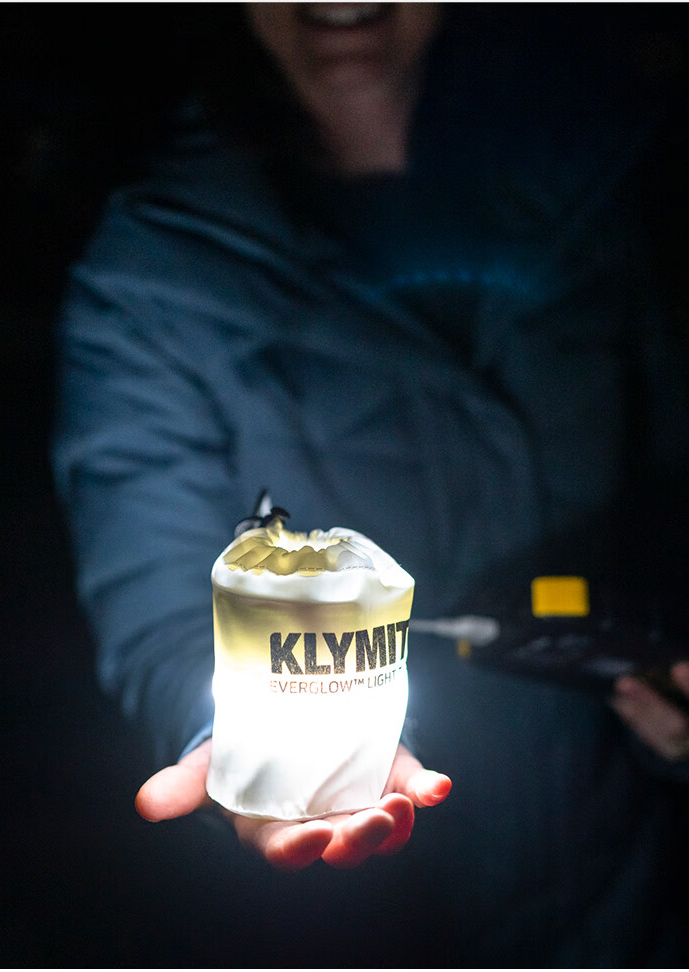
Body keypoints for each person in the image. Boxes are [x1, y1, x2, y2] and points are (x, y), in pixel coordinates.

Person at [52, 3, 689, 966]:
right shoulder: (157, 274)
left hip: (621, 901)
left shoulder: (605, 195)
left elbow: (670, 503)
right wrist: (225, 740)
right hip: (357, 926)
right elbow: (160, 606)